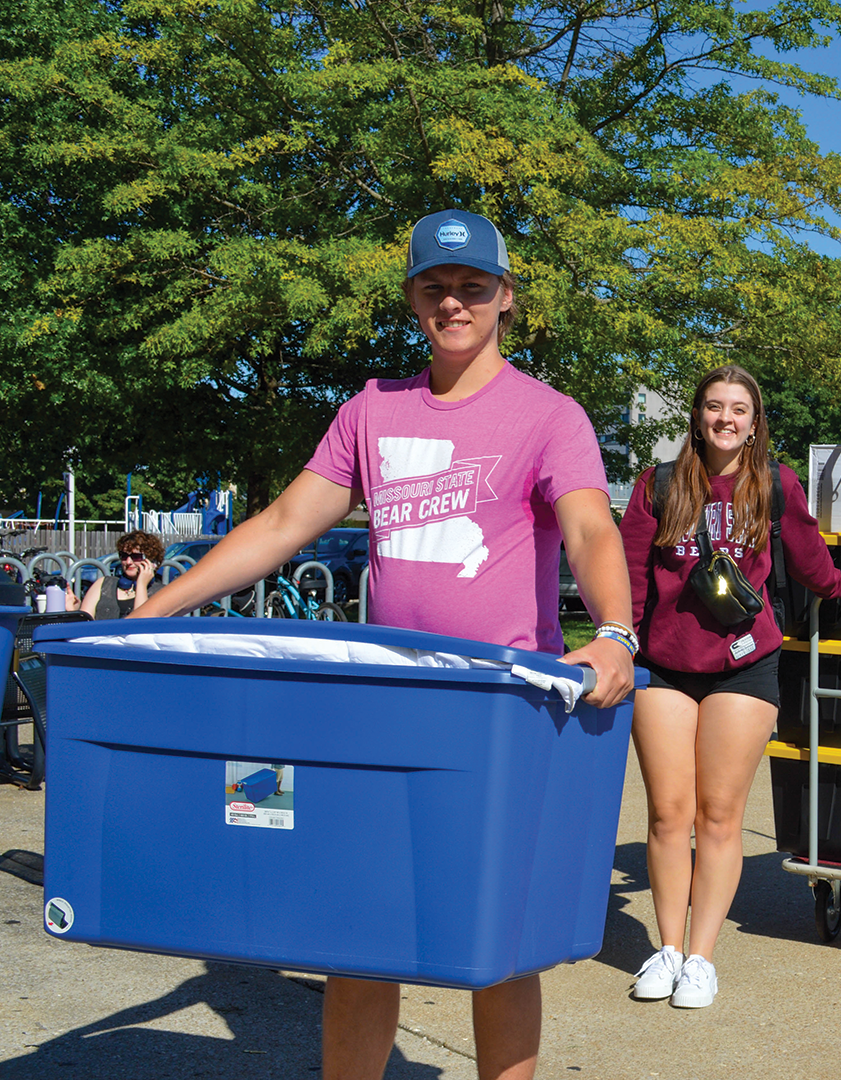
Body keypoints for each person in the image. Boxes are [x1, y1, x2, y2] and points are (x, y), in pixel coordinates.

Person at [131, 208, 635, 1080]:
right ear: (412, 299)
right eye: (435, 288)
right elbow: (289, 519)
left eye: (472, 287)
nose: (454, 304)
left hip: (497, 712)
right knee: (357, 933)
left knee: (499, 945)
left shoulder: (550, 416)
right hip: (382, 707)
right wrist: (157, 610)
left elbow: (591, 531)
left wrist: (617, 633)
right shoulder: (371, 408)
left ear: (505, 298)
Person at [620, 364, 841, 1009]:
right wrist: (619, 642)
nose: (726, 419)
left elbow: (808, 558)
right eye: (715, 407)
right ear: (697, 416)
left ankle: (701, 958)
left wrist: (838, 589)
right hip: (664, 664)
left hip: (744, 663)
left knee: (719, 816)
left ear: (755, 423)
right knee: (669, 814)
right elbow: (632, 578)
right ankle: (667, 950)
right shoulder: (659, 485)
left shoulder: (775, 485)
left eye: (739, 410)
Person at [74, 531, 164, 619]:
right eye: (124, 556)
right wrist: (73, 610)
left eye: (136, 557)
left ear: (152, 561)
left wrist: (141, 585)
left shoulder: (161, 592)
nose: (128, 562)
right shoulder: (104, 584)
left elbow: (140, 624)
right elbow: (85, 621)